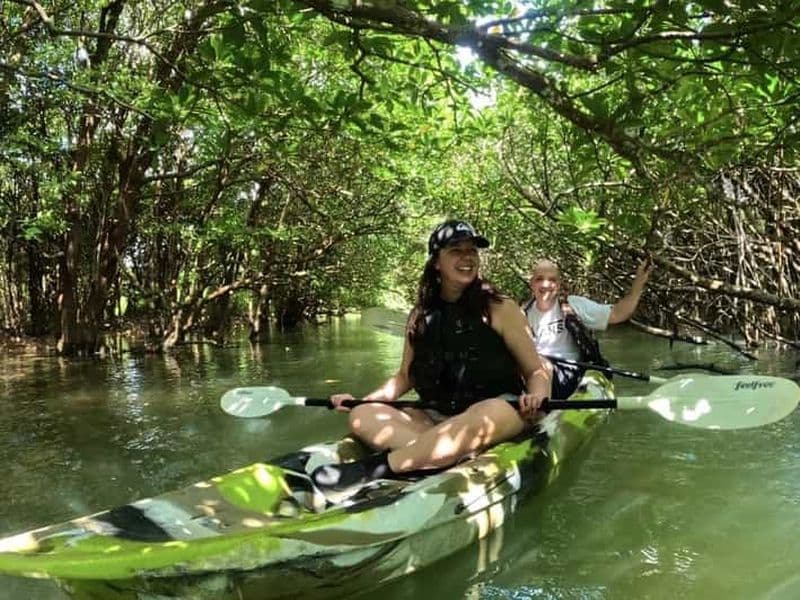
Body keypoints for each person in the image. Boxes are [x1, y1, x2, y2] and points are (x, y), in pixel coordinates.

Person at [311, 219, 551, 492]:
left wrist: (537, 396)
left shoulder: (501, 307)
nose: (467, 258)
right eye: (456, 251)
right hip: (436, 417)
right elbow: (405, 377)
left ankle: (383, 466)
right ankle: (440, 456)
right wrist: (361, 401)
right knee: (362, 416)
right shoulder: (420, 315)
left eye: (471, 251)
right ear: (436, 262)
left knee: (486, 412)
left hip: (496, 413)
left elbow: (535, 371)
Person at [524, 257, 653, 399]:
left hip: (568, 373)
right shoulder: (522, 313)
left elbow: (618, 313)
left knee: (541, 364)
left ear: (559, 285)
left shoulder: (574, 305)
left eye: (552, 280)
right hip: (534, 373)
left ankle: (539, 405)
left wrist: (638, 283)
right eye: (540, 279)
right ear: (532, 283)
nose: (546, 284)